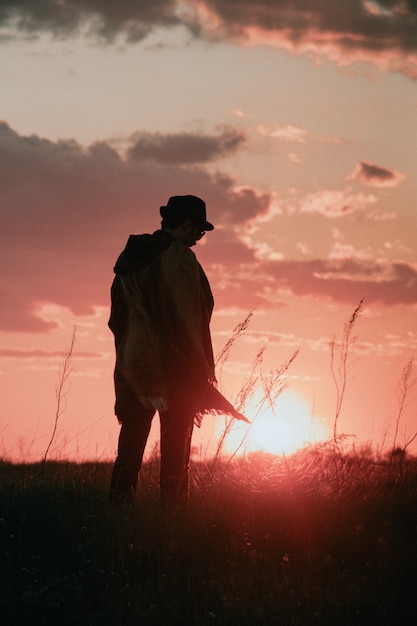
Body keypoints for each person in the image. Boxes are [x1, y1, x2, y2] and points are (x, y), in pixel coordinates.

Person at [108, 195, 247, 505]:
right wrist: (198, 368)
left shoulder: (129, 259)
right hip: (173, 370)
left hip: (134, 367)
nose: (199, 239)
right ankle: (171, 523)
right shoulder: (179, 259)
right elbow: (190, 316)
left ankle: (116, 515)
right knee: (175, 453)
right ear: (186, 226)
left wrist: (132, 353)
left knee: (129, 450)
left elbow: (118, 318)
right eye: (199, 231)